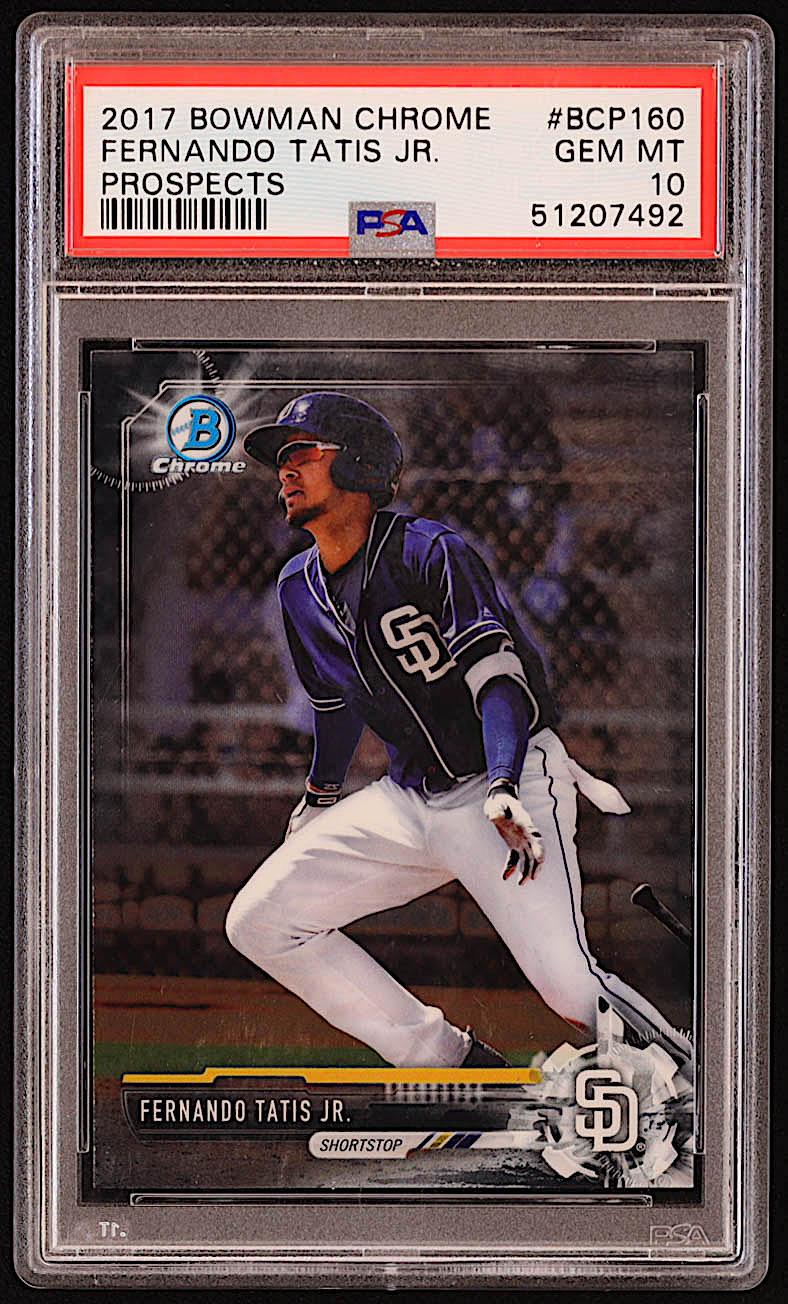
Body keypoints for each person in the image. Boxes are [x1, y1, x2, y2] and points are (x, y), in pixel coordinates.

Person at [225, 392, 691, 1071]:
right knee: (260, 924)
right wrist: (321, 795)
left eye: (302, 453)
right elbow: (334, 705)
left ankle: (693, 1082)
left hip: (505, 783)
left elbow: (499, 679)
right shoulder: (297, 585)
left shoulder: (429, 551)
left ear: (356, 465)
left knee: (568, 986)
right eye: (280, 460)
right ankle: (451, 1064)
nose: (285, 471)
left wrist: (503, 783)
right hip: (407, 799)